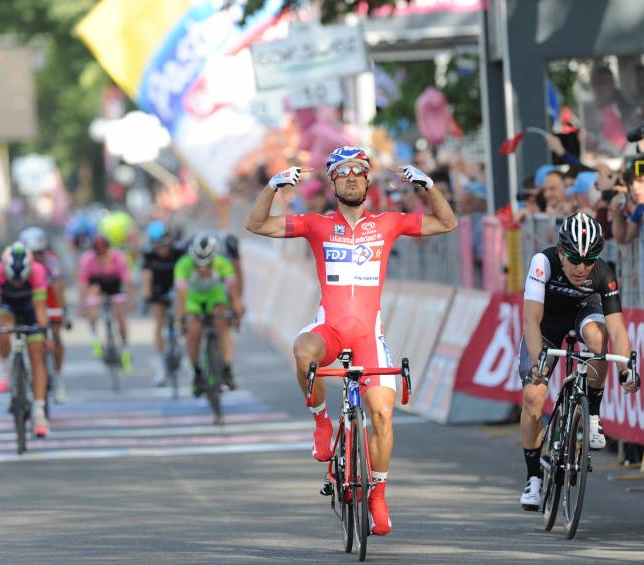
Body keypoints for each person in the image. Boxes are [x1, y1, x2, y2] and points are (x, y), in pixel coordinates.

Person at [245, 145, 458, 536]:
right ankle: (321, 423)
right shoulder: (316, 224)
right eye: (343, 173)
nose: (351, 177)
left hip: (368, 336)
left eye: (358, 171)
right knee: (303, 350)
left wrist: (427, 186)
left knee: (381, 415)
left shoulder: (389, 223)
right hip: (330, 328)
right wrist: (272, 187)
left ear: (367, 179)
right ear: (332, 182)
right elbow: (257, 224)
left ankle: (377, 493)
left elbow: (446, 223)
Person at [518, 212, 638, 511]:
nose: (582, 268)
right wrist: (537, 362)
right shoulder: (542, 263)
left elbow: (618, 328)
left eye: (589, 260)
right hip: (547, 324)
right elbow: (531, 321)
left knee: (598, 339)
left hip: (585, 312)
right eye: (574, 258)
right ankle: (533, 478)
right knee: (533, 397)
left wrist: (625, 368)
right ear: (561, 251)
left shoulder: (603, 273)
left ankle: (593, 414)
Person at [0, 242, 53, 437]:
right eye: (14, 279)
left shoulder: (38, 271)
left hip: (30, 306)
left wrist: (47, 335)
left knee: (37, 356)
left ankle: (39, 412)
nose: (18, 282)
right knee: (3, 330)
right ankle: (6, 369)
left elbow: (40, 309)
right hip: (7, 304)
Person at [174, 233, 244, 394]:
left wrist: (237, 311)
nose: (203, 269)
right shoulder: (183, 265)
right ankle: (197, 372)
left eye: (208, 265)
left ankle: (226, 369)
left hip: (215, 295)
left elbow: (234, 294)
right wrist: (182, 319)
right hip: (193, 298)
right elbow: (181, 296)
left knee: (223, 325)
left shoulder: (222, 263)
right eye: (199, 265)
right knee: (194, 331)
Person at [20, 227, 70, 403]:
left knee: (55, 335)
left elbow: (58, 287)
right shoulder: (19, 261)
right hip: (27, 295)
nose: (37, 257)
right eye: (33, 253)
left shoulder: (52, 260)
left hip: (48, 295)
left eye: (40, 252)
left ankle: (58, 378)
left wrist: (63, 311)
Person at [78, 235, 135, 371]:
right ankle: (94, 337)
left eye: (104, 252)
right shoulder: (88, 259)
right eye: (98, 253)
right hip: (97, 284)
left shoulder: (118, 258)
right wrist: (82, 304)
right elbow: (83, 283)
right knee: (92, 295)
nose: (102, 256)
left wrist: (131, 299)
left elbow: (127, 281)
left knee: (120, 315)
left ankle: (125, 346)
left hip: (114, 284)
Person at [141, 220, 186, 386]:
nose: (162, 249)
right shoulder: (148, 253)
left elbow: (188, 272)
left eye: (165, 245)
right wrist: (146, 295)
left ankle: (186, 348)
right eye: (158, 246)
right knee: (159, 322)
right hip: (158, 285)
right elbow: (146, 275)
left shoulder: (180, 249)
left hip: (178, 284)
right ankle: (161, 365)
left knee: (185, 316)